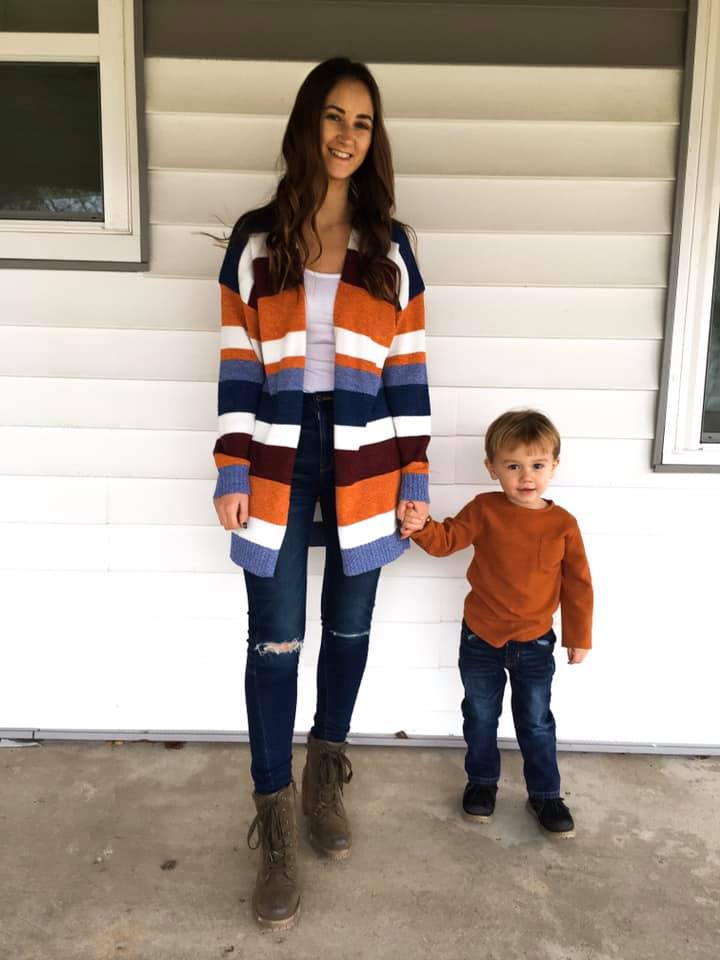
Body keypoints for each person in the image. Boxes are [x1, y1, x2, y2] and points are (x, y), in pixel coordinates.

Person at [212, 58, 431, 928]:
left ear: (374, 140)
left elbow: (408, 373)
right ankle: (270, 819)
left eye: (363, 122)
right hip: (273, 451)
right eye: (333, 117)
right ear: (307, 125)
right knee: (276, 641)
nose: (346, 135)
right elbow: (236, 361)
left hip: (367, 452)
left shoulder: (392, 246)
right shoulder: (257, 240)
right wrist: (231, 466)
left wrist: (415, 477)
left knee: (348, 627)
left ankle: (321, 777)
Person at [401, 410, 592, 838]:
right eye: (513, 466)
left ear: (554, 467)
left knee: (536, 719)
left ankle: (545, 793)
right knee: (481, 715)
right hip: (481, 638)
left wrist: (579, 637)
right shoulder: (485, 509)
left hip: (536, 642)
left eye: (538, 466)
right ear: (493, 468)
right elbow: (447, 539)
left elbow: (578, 584)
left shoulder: (563, 524)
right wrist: (420, 527)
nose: (527, 477)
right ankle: (482, 783)